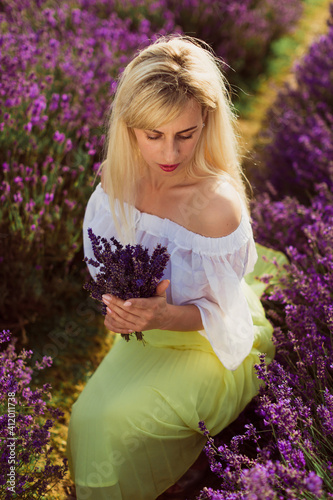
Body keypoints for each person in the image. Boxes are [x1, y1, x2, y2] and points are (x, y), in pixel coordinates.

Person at [66, 35, 284, 500]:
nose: (170, 154)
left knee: (110, 426)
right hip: (149, 337)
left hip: (214, 347)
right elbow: (109, 266)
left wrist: (163, 315)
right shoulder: (115, 178)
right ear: (128, 128)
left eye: (186, 135)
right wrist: (120, 308)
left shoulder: (216, 207)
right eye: (153, 136)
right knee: (85, 421)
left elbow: (227, 323)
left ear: (207, 122)